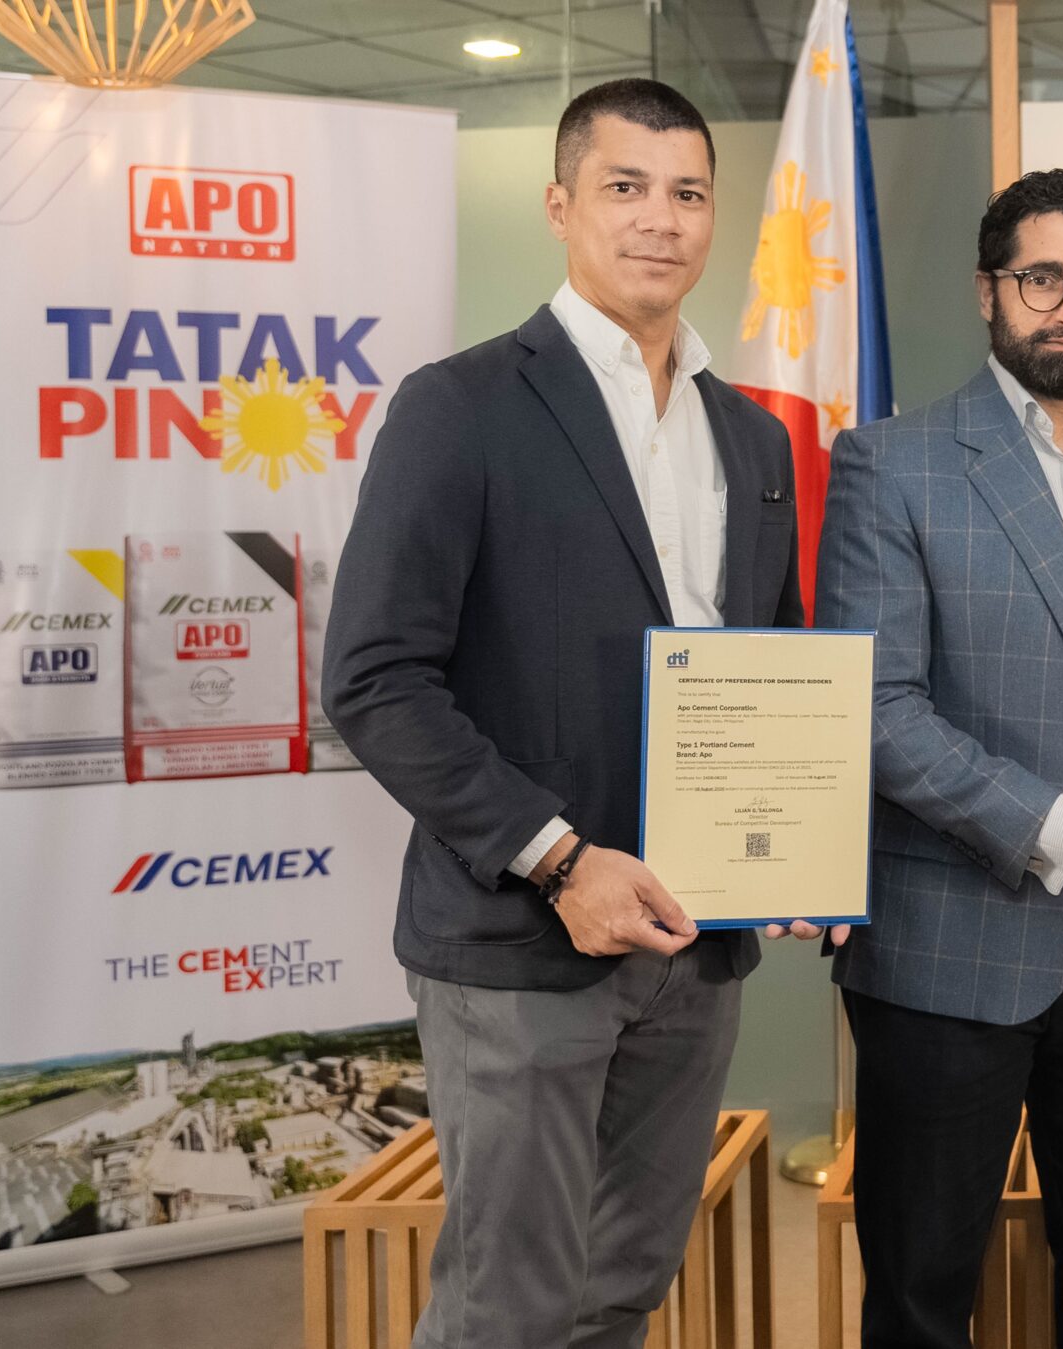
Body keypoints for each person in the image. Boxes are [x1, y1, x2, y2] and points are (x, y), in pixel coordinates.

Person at [322, 80, 806, 1349]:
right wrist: (560, 858)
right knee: (510, 1305)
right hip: (523, 939)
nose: (662, 219)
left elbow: (768, 669)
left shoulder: (752, 439)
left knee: (621, 1289)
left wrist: (796, 836)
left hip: (695, 947)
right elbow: (375, 679)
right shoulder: (461, 405)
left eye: (689, 192)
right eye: (625, 186)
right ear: (560, 204)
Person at [804, 169, 1063, 1349]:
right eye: (1044, 278)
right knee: (925, 1292)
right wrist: (1058, 819)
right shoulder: (896, 461)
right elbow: (874, 704)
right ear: (990, 289)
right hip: (953, 937)